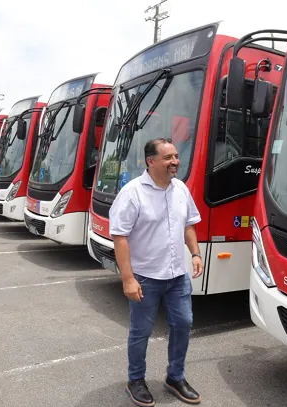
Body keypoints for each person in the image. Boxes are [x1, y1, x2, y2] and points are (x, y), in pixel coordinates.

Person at [109, 137, 203, 406]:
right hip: (146, 278)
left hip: (177, 277)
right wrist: (128, 279)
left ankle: (175, 377)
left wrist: (195, 254)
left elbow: (188, 225)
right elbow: (120, 237)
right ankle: (135, 380)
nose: (175, 162)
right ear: (151, 161)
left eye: (176, 156)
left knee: (183, 324)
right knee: (141, 331)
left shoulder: (181, 189)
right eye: (168, 158)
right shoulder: (133, 192)